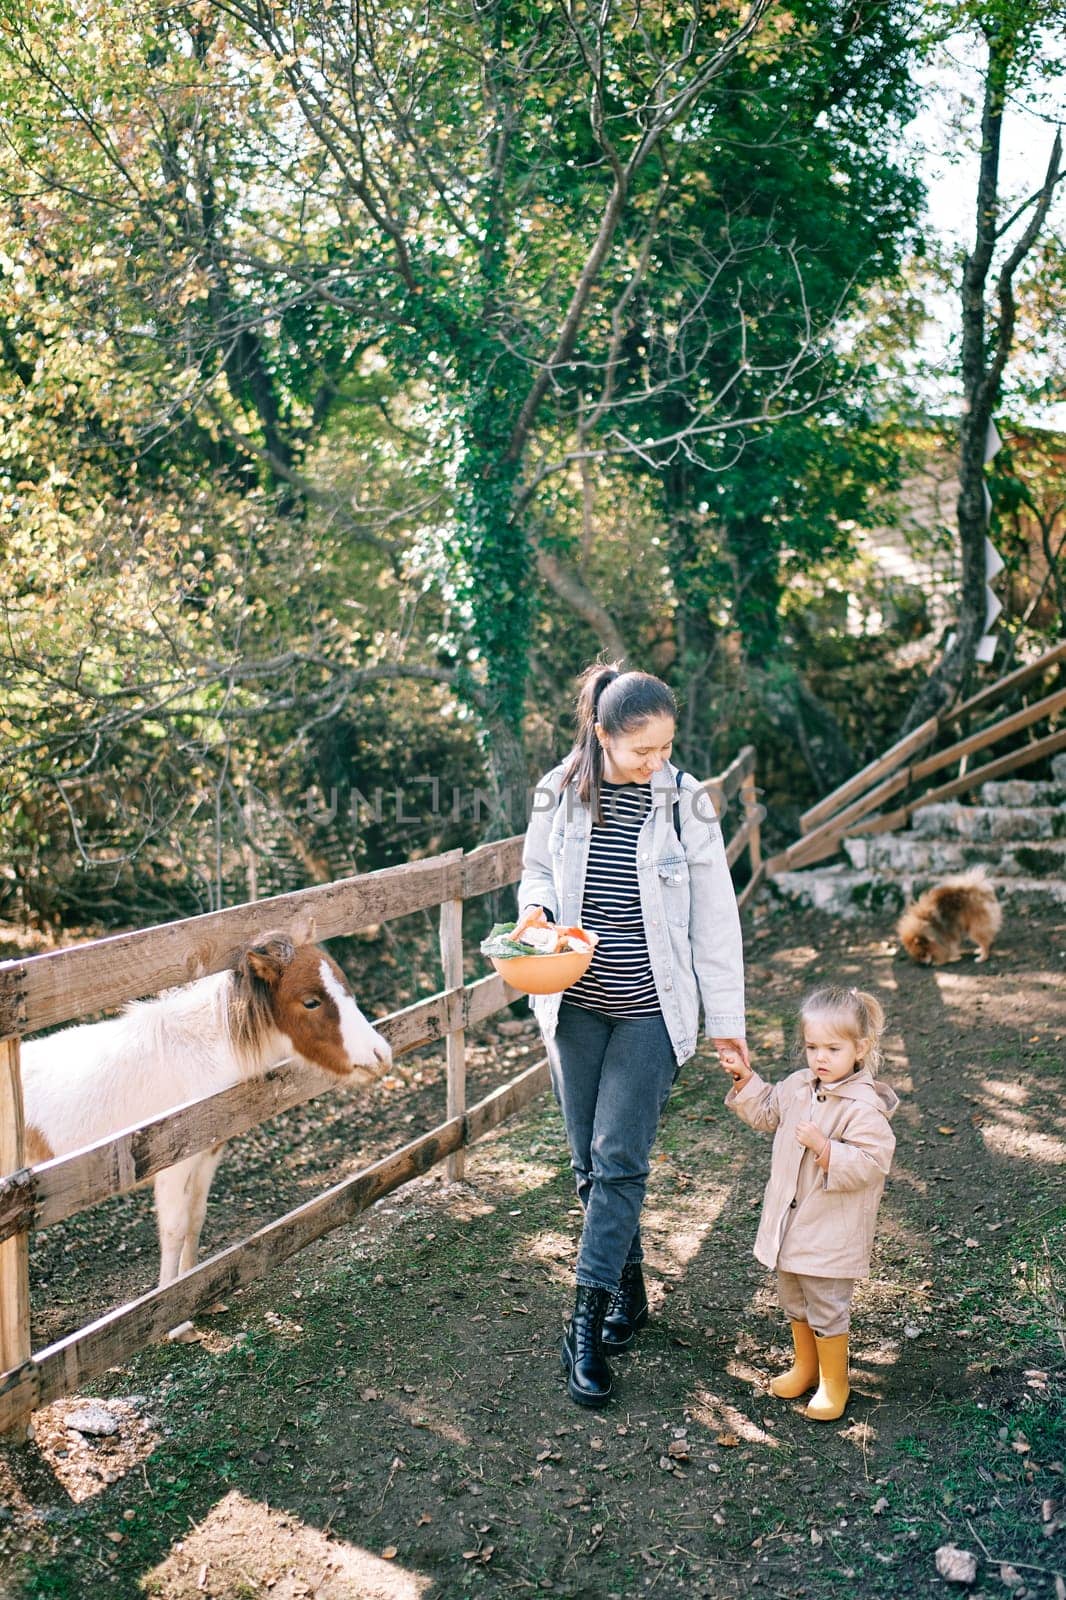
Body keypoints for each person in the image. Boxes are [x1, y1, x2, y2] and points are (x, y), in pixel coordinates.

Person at [518, 661, 748, 1408]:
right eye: (642, 751)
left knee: (619, 1160)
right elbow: (535, 872)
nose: (658, 764)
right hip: (574, 1004)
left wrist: (728, 1026)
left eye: (665, 749)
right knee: (588, 1166)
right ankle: (631, 1289)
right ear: (602, 735)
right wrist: (538, 915)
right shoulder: (560, 789)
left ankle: (580, 1327)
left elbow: (716, 920)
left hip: (652, 1011)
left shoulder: (688, 805)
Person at [718, 986, 898, 1421]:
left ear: (860, 1048)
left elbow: (874, 1162)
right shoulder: (798, 1086)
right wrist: (745, 1077)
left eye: (833, 1048)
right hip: (789, 1224)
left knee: (827, 1306)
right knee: (794, 1298)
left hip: (830, 1231)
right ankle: (806, 1366)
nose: (820, 1057)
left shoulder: (862, 1107)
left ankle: (835, 1382)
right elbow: (765, 1111)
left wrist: (827, 1149)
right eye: (813, 1047)